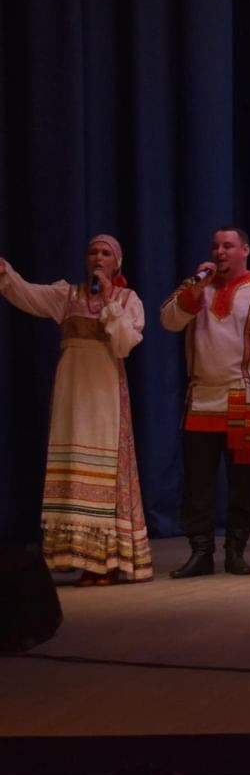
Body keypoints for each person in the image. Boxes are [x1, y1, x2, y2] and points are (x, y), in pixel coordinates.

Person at [0, 238, 152, 583]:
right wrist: (6, 273)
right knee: (72, 469)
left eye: (105, 253)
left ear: (117, 263)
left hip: (104, 396)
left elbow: (125, 344)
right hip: (72, 394)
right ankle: (77, 555)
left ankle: (105, 561)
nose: (97, 258)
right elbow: (26, 293)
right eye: (93, 252)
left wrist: (110, 303)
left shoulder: (128, 300)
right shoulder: (66, 296)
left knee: (102, 468)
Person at [160, 226, 250, 577]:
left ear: (245, 250)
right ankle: (200, 552)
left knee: (241, 481)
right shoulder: (196, 288)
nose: (220, 252)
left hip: (245, 397)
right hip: (202, 399)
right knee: (198, 481)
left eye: (228, 246)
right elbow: (168, 319)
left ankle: (236, 550)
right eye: (215, 246)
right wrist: (195, 288)